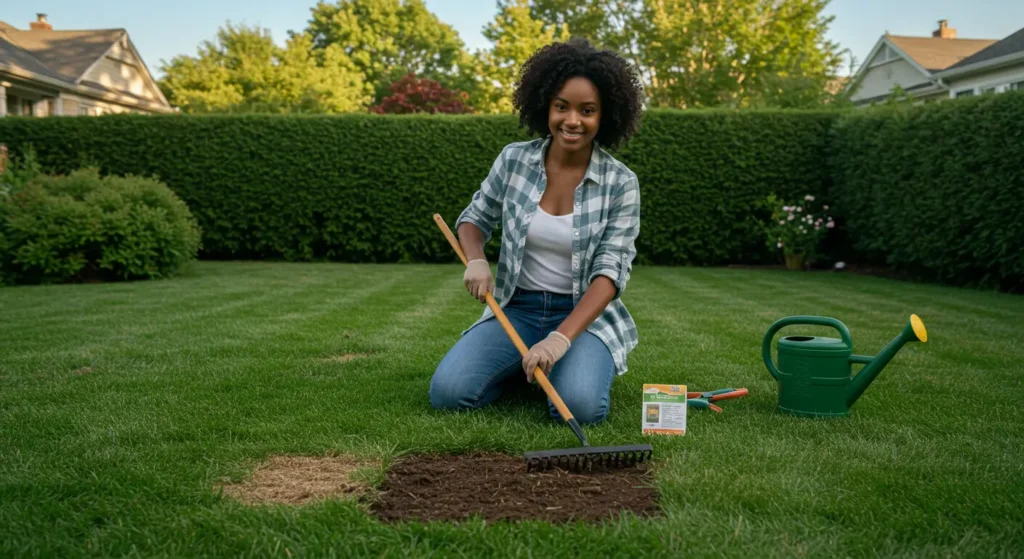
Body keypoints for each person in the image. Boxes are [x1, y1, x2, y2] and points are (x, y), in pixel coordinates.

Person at [429, 37, 645, 425]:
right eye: (561, 106)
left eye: (587, 110)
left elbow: (611, 272)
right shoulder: (515, 160)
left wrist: (561, 338)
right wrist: (476, 260)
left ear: (606, 115)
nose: (572, 120)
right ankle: (523, 363)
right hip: (518, 307)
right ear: (545, 105)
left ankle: (559, 361)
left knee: (579, 408)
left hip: (582, 318)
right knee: (449, 394)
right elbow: (474, 218)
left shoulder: (621, 183)